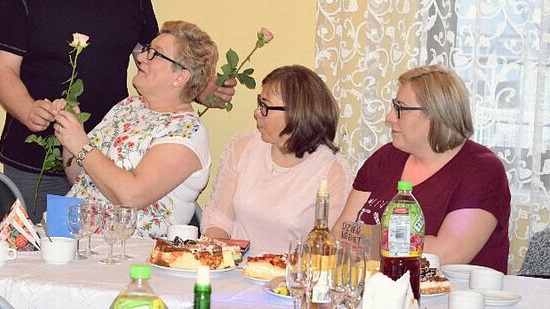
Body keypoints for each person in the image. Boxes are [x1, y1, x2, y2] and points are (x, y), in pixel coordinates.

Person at [0, 0, 234, 222]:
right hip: (34, 160)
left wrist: (197, 86)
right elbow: (2, 72)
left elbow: (155, 58)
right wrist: (29, 111)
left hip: (117, 159)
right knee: (37, 242)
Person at [332, 64, 511, 272]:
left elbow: (449, 253)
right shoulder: (386, 157)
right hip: (378, 285)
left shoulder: (482, 170)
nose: (390, 117)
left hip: (448, 290)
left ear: (436, 114)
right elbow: (340, 232)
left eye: (400, 108)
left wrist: (366, 240)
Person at [54, 20, 218, 238]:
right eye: (148, 49)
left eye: (155, 54)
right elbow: (78, 177)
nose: (141, 57)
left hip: (128, 250)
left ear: (180, 77)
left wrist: (82, 145)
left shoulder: (188, 131)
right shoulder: (130, 106)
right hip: (75, 233)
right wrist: (70, 133)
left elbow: (131, 197)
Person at [201, 65, 352, 253]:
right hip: (236, 266)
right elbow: (219, 221)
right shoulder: (244, 147)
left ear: (296, 113)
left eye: (265, 106)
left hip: (292, 270)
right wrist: (216, 258)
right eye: (259, 103)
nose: (257, 112)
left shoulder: (332, 169)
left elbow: (330, 249)